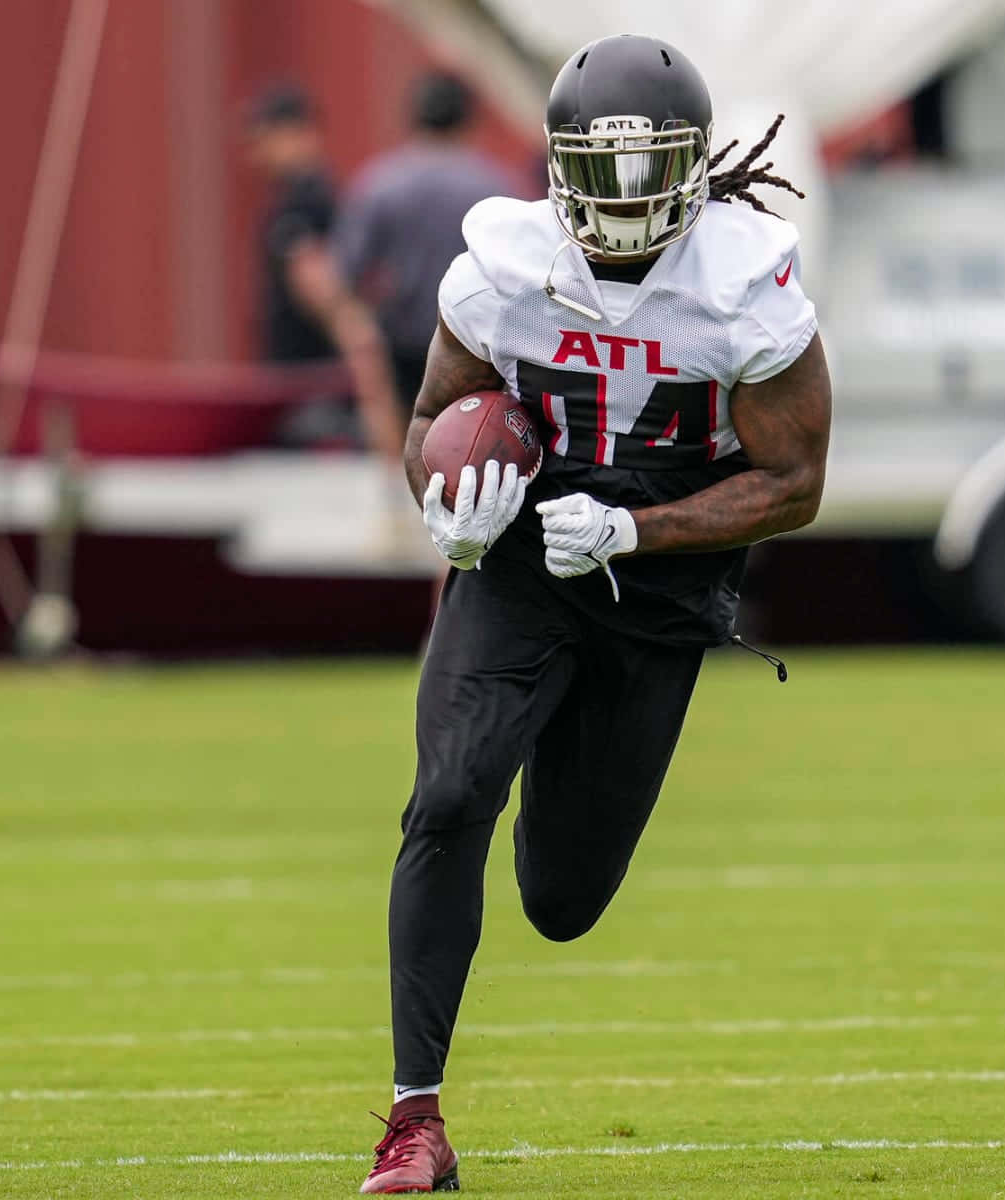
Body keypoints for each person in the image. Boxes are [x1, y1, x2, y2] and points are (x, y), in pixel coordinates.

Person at [359, 33, 832, 1195]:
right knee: (450, 793)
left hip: (654, 592)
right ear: (556, 162)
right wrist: (450, 508)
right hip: (518, 564)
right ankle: (414, 1121)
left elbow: (795, 484)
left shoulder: (742, 281)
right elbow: (433, 421)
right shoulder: (502, 263)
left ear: (693, 163)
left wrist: (639, 531)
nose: (621, 200)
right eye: (600, 169)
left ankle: (559, 761)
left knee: (562, 901)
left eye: (645, 168)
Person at [334, 70, 525, 453]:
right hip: (477, 341)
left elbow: (348, 271)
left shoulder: (379, 183)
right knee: (472, 444)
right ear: (467, 119)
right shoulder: (496, 185)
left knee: (413, 438)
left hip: (402, 342)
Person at [243, 84, 399, 459]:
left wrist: (369, 378)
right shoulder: (316, 197)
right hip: (310, 382)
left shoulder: (306, 201)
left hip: (308, 387)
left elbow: (322, 288)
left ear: (297, 134)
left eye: (265, 139)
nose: (256, 154)